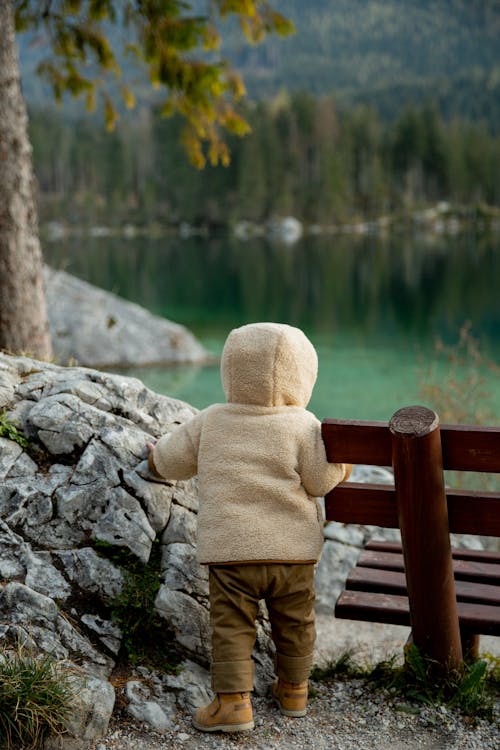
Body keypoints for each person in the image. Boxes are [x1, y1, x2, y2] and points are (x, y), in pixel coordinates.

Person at [147, 322, 351, 733]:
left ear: (231, 371)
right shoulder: (303, 424)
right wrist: (343, 464)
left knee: (231, 625)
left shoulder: (212, 420)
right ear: (303, 376)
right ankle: (294, 689)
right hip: (292, 553)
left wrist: (152, 459)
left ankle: (233, 704)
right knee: (296, 620)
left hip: (232, 552)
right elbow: (320, 481)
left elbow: (169, 462)